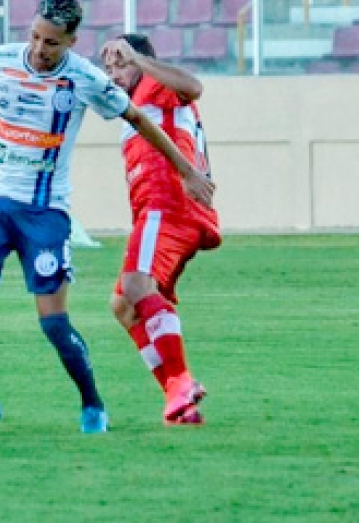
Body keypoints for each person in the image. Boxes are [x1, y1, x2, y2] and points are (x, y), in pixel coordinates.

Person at [0, 0, 215, 434]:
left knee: (60, 320)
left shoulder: (102, 81)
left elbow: (156, 108)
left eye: (50, 42)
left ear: (70, 42)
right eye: (35, 36)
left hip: (54, 212)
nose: (38, 49)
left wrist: (186, 171)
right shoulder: (1, 59)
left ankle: (103, 400)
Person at [100, 33, 221, 425]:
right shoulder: (131, 104)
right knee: (123, 304)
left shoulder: (154, 85)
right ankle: (179, 400)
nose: (114, 74)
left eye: (121, 64)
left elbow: (194, 87)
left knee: (136, 286)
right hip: (160, 210)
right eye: (109, 68)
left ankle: (180, 380)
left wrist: (139, 60)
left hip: (167, 203)